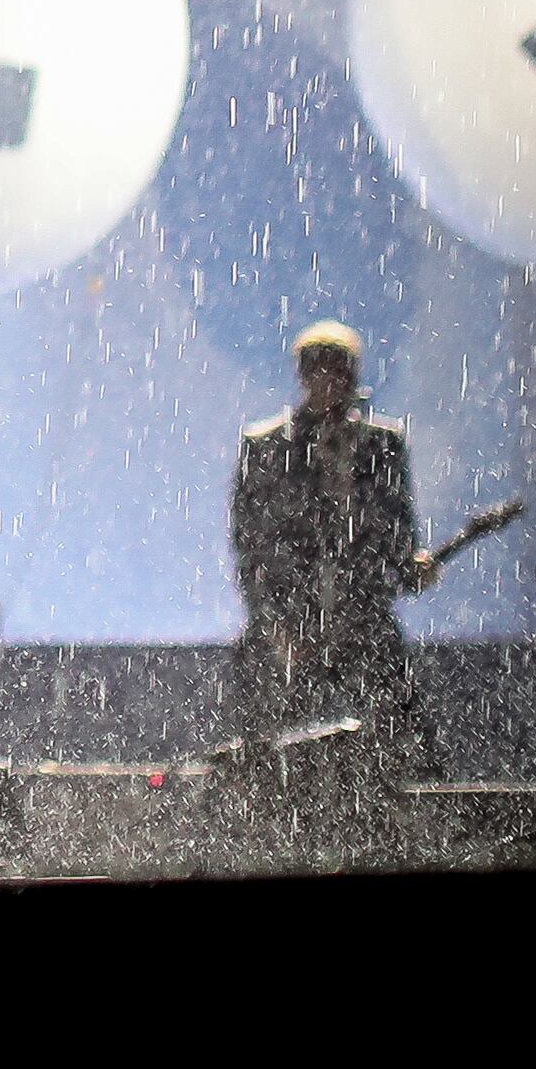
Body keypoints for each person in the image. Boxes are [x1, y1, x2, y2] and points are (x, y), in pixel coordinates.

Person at [226, 319, 441, 768]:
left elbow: (397, 530)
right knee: (258, 734)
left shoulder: (381, 445)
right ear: (305, 375)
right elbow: (251, 546)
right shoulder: (266, 447)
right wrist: (276, 623)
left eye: (340, 370)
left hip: (360, 614)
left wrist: (409, 567)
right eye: (321, 369)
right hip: (289, 618)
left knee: (400, 727)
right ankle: (249, 799)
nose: (331, 381)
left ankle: (409, 803)